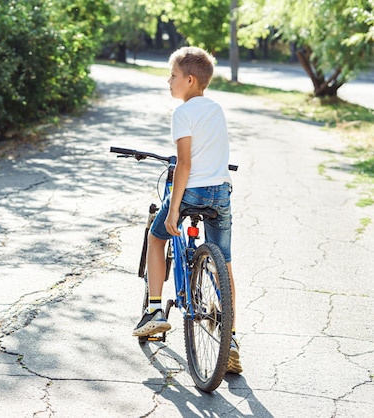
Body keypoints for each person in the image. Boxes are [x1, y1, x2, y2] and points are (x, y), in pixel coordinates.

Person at [131, 46, 242, 374]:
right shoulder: (216, 108)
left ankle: (154, 311)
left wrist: (173, 209)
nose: (169, 81)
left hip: (191, 192)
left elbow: (185, 164)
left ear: (190, 80)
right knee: (226, 261)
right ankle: (230, 337)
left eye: (173, 76)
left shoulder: (182, 113)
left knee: (156, 237)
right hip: (220, 194)